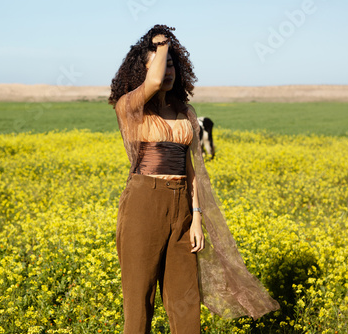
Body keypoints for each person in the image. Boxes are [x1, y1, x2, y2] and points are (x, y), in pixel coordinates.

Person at [109, 24, 279, 334]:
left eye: (173, 62)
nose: (168, 70)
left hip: (183, 210)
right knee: (138, 306)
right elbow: (156, 80)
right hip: (144, 204)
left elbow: (192, 169)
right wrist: (161, 39)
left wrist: (196, 218)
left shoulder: (185, 112)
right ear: (144, 71)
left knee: (186, 303)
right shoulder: (130, 108)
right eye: (161, 62)